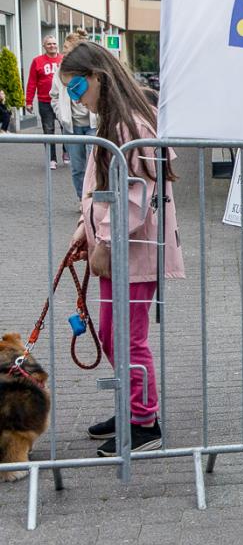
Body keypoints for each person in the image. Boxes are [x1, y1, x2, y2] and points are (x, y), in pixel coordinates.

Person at [62, 41, 184, 455]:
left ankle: (145, 422)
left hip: (133, 251)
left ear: (99, 78)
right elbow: (100, 189)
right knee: (114, 335)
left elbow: (134, 196)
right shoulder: (115, 123)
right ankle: (134, 408)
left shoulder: (132, 126)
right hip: (117, 250)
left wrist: (104, 240)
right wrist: (85, 230)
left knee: (126, 338)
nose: (75, 98)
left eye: (77, 88)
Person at [51, 29, 98, 202]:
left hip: (93, 125)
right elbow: (54, 95)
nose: (63, 51)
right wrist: (61, 115)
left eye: (66, 47)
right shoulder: (60, 71)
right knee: (77, 167)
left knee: (94, 165)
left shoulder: (90, 70)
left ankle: (94, 199)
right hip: (72, 126)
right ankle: (82, 200)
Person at [25, 35, 63, 169]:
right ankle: (52, 159)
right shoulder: (37, 61)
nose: (52, 46)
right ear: (44, 46)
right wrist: (29, 101)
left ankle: (67, 152)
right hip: (45, 101)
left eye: (54, 43)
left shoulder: (64, 60)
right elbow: (32, 82)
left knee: (66, 127)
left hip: (61, 101)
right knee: (48, 130)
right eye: (49, 44)